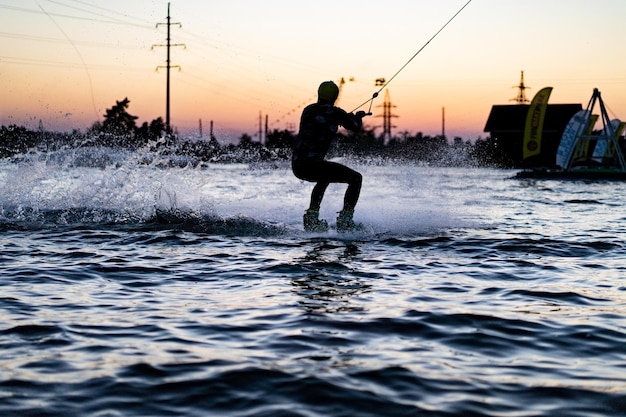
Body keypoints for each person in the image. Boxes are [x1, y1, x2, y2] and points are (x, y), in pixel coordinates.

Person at [292, 80, 369, 232]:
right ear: (335, 97)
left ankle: (312, 217)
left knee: (324, 176)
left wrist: (342, 117)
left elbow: (324, 118)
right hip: (313, 165)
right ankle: (345, 221)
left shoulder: (308, 110)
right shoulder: (335, 113)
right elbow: (354, 127)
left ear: (319, 94)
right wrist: (358, 117)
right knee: (356, 179)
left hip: (298, 165)